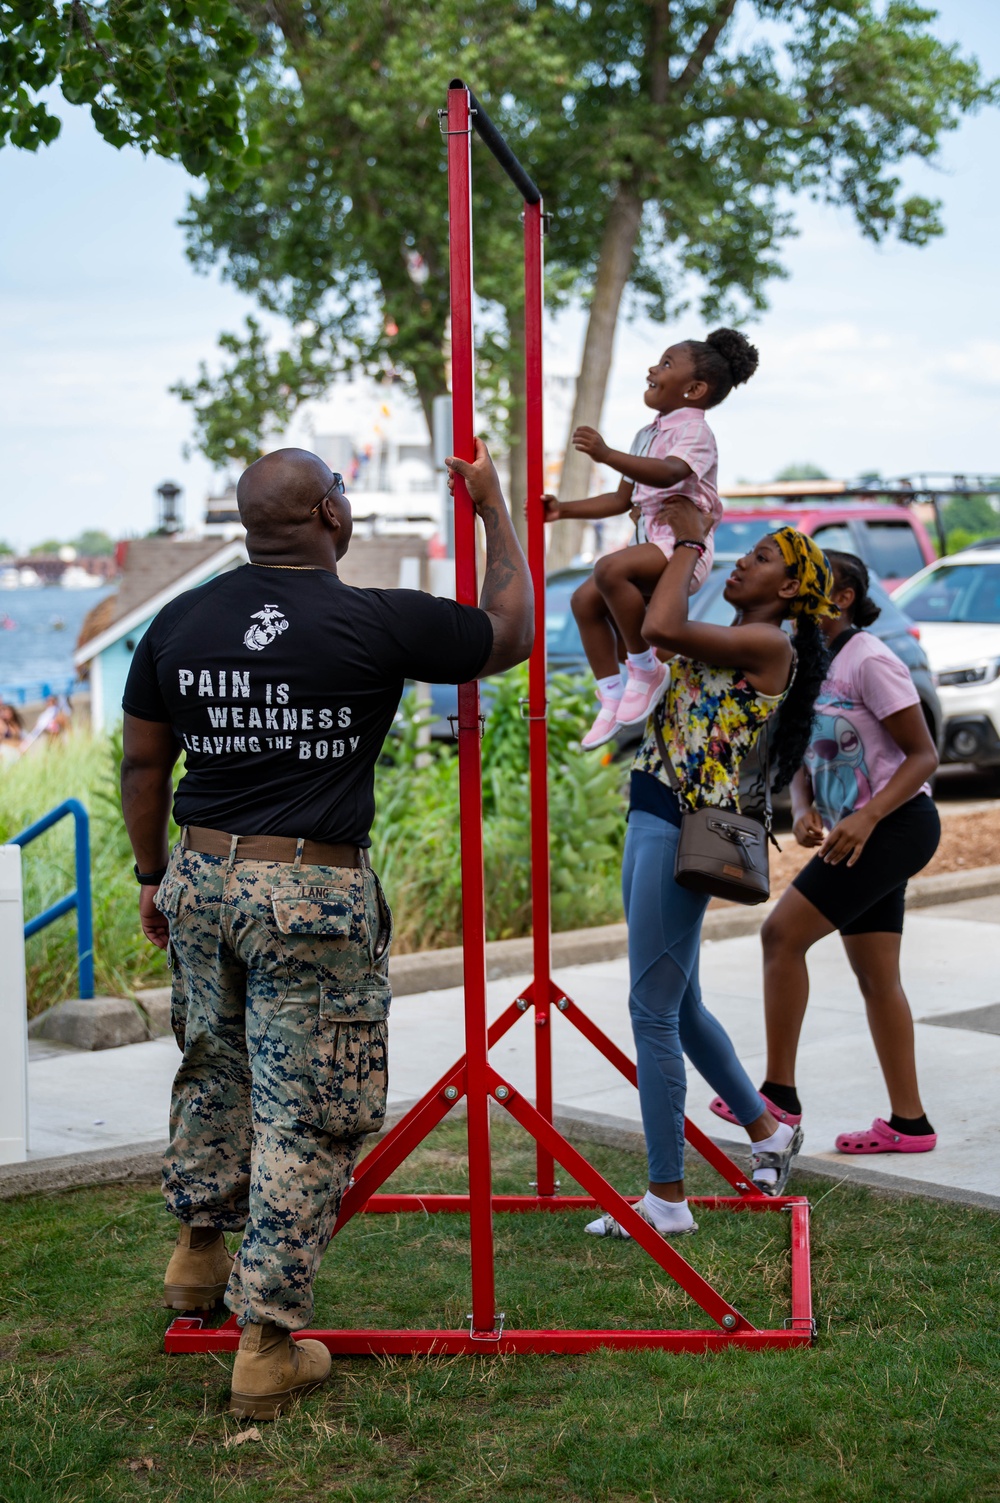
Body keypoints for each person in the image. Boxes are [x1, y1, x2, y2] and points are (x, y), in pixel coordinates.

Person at [120, 442, 532, 1420]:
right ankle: (265, 1345)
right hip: (307, 890)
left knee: (215, 1067)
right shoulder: (371, 618)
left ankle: (197, 1256)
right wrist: (493, 508)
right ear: (334, 519)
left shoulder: (178, 620)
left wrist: (152, 876)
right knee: (309, 1111)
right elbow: (508, 630)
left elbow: (144, 766)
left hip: (202, 874)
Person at [586, 512, 836, 1240]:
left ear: (789, 588)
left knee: (652, 1011)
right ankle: (767, 1132)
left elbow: (660, 625)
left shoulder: (766, 641)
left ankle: (666, 1199)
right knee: (680, 1002)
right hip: (652, 810)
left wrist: (690, 542)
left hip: (686, 831)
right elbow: (618, 586)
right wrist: (661, 538)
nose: (738, 565)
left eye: (758, 560)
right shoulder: (730, 629)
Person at [710, 552, 941, 1155]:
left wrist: (865, 818)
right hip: (858, 829)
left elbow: (923, 756)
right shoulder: (805, 661)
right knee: (876, 977)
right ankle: (909, 1124)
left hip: (895, 825)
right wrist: (805, 804)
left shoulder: (870, 658)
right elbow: (803, 752)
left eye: (813, 577)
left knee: (780, 936)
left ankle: (778, 1095)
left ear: (839, 598)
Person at [541, 329, 759, 749]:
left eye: (665, 365)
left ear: (695, 389)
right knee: (582, 601)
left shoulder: (695, 433)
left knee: (608, 568)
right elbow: (623, 498)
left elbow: (670, 473)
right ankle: (611, 693)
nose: (652, 370)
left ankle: (643, 668)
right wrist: (563, 509)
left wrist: (606, 455)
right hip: (649, 547)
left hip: (680, 549)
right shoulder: (647, 434)